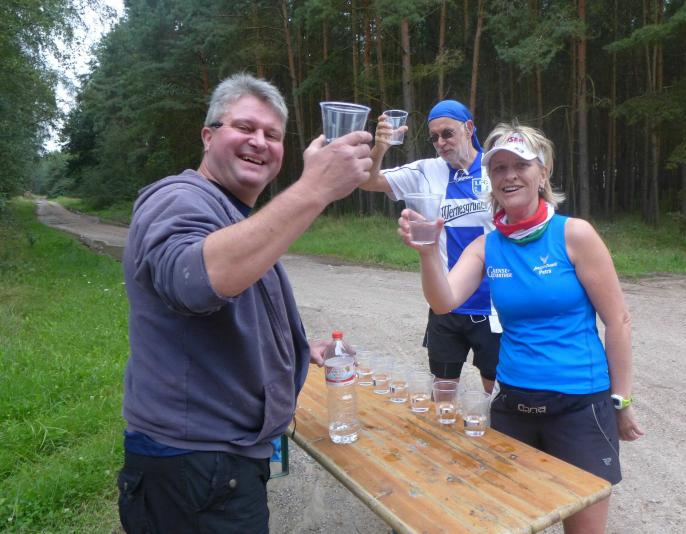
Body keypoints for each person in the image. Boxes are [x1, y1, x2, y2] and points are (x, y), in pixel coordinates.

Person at [117, 73, 373, 533]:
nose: (259, 142)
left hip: (218, 466)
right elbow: (193, 283)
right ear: (208, 136)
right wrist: (315, 189)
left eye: (272, 135)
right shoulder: (178, 198)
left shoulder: (235, 216)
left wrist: (299, 349)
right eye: (244, 127)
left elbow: (232, 311)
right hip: (191, 466)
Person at [398, 122, 644, 533]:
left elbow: (618, 320)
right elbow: (443, 301)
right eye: (499, 168)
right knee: (508, 522)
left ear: (542, 172)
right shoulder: (487, 245)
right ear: (490, 180)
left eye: (521, 165)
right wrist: (426, 254)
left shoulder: (574, 234)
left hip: (579, 405)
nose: (509, 176)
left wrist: (621, 400)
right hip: (513, 404)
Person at [362, 100, 499, 393]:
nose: (441, 143)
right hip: (444, 303)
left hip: (493, 306)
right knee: (443, 392)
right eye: (434, 137)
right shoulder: (425, 171)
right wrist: (380, 148)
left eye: (447, 133)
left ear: (469, 128)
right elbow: (368, 181)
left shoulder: (495, 169)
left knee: (495, 394)